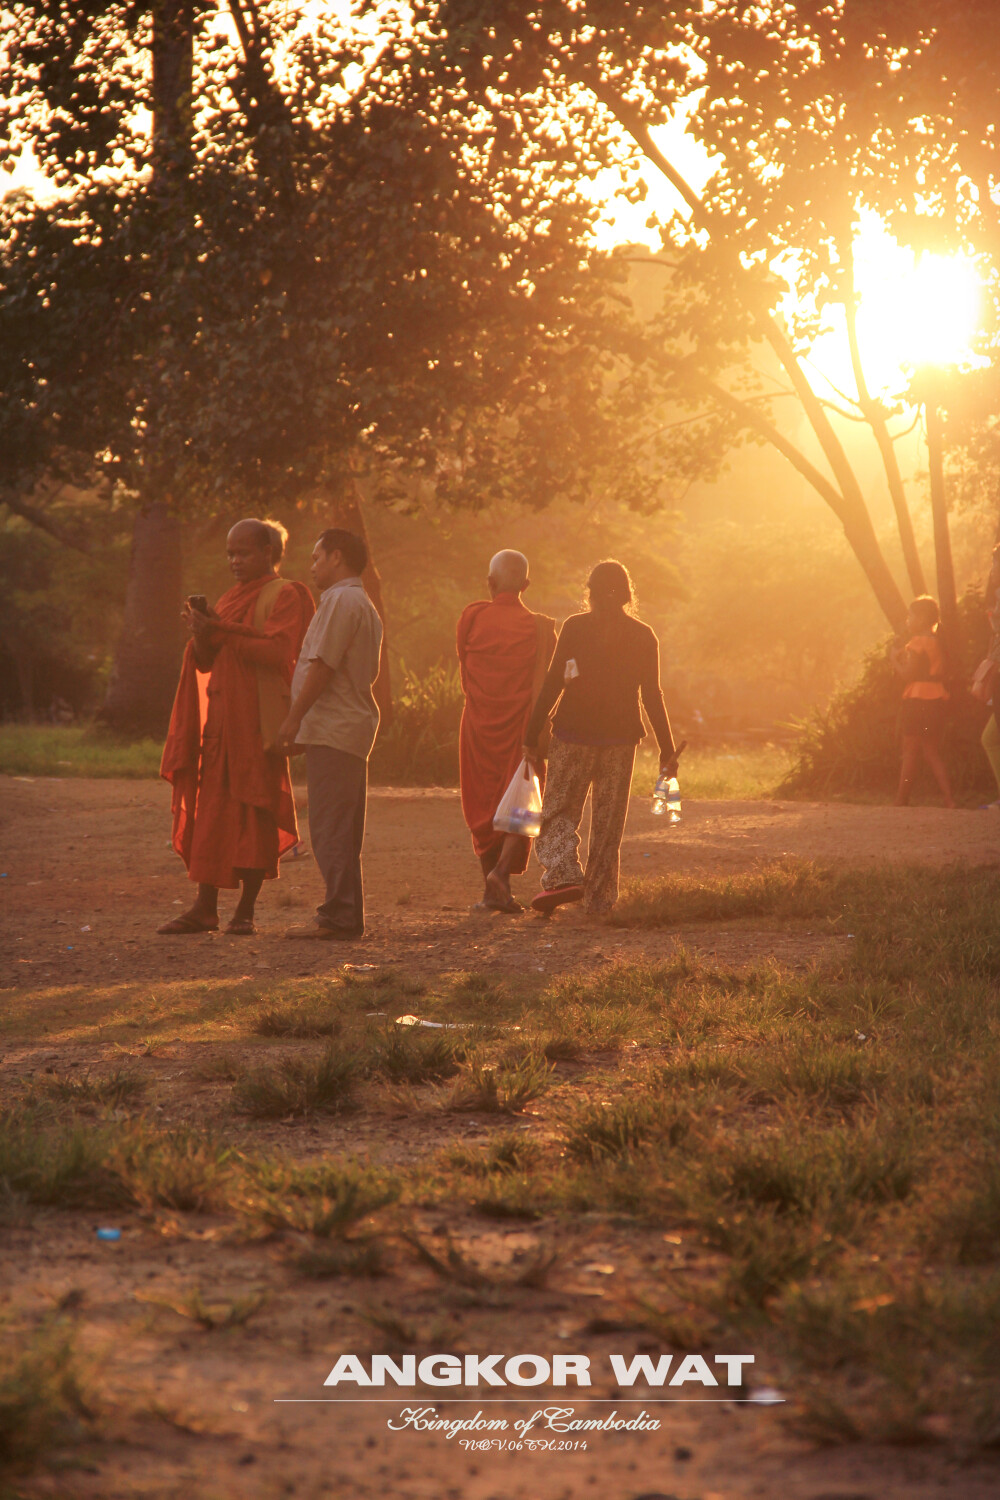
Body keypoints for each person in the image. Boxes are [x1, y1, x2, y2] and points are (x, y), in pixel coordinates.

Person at [158, 518, 315, 934]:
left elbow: (278, 652)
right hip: (221, 726)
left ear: (268, 552)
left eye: (243, 552)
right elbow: (208, 660)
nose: (235, 561)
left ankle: (245, 912)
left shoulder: (287, 594)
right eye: (230, 553)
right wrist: (201, 633)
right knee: (212, 814)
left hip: (259, 726)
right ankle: (205, 907)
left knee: (255, 813)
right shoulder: (229, 599)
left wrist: (219, 630)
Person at [523, 559, 679, 916]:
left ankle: (565, 876)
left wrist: (531, 734)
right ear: (627, 595)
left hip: (572, 735)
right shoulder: (643, 635)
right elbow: (652, 696)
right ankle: (599, 901)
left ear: (589, 593)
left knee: (558, 811)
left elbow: (553, 683)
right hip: (620, 741)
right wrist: (667, 750)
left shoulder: (576, 628)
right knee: (608, 823)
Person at [276, 528, 383, 940]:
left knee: (330, 827)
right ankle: (344, 914)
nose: (313, 566)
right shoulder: (361, 602)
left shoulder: (341, 600)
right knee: (341, 826)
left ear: (337, 557)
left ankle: (339, 916)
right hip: (348, 728)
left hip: (335, 728)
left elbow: (322, 665)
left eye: (317, 557)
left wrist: (292, 720)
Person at [457, 550, 556, 913]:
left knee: (482, 800)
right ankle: (499, 878)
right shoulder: (542, 629)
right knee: (522, 800)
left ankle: (492, 886)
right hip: (521, 730)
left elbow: (464, 672)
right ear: (526, 585)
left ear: (490, 582)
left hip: (478, 725)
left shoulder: (471, 617)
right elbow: (549, 684)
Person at [891, 594, 955, 808]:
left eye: (910, 616)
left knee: (909, 749)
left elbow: (909, 675)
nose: (907, 621)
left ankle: (901, 798)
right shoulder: (938, 641)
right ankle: (949, 798)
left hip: (918, 699)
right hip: (936, 697)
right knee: (930, 750)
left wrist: (894, 660)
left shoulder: (917, 642)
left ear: (922, 618)